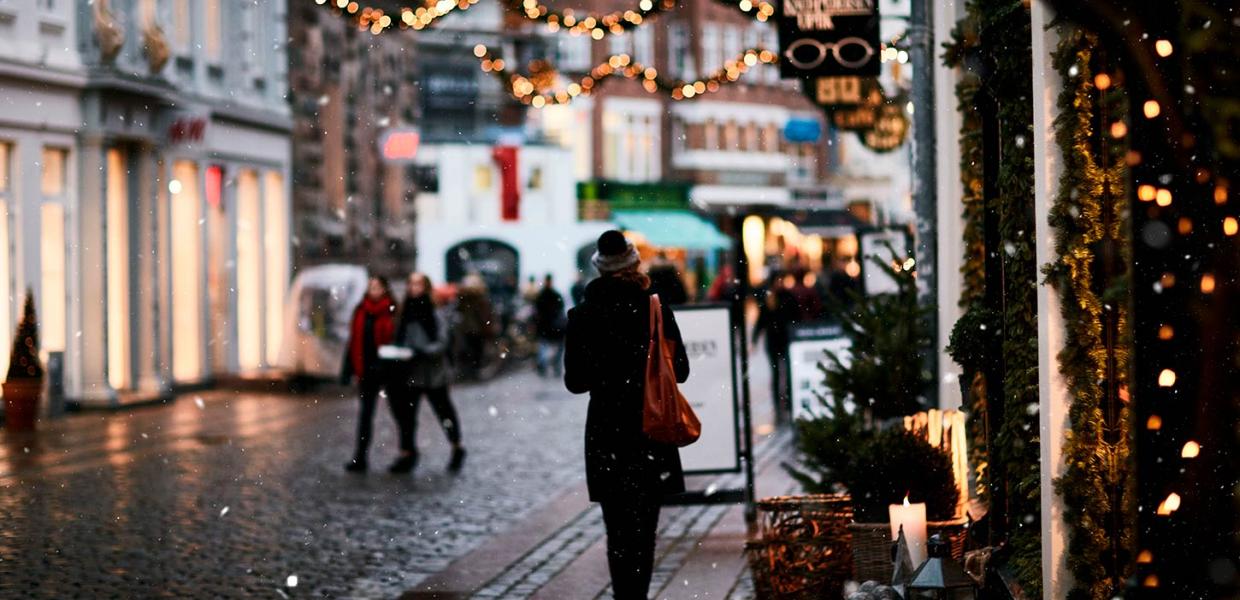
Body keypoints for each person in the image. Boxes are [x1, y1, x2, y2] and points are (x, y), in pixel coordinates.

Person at [564, 230, 690, 600]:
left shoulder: (582, 315)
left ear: (600, 269)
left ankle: (624, 597)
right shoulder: (654, 308)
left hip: (606, 432)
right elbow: (680, 370)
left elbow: (575, 382)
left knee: (616, 530)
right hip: (650, 429)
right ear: (634, 262)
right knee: (643, 529)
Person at [391, 273, 467, 473]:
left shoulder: (434, 312)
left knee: (444, 412)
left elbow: (442, 342)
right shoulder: (405, 312)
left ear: (425, 287)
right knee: (407, 416)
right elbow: (399, 338)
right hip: (411, 371)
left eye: (418, 284)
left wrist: (422, 351)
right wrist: (401, 352)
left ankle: (456, 446)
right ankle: (407, 452)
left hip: (433, 372)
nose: (413, 288)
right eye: (411, 284)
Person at [340, 275, 400, 473]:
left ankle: (406, 452)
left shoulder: (391, 309)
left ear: (384, 288)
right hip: (366, 371)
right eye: (371, 286)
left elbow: (396, 339)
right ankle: (360, 457)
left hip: (389, 372)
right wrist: (347, 369)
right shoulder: (361, 310)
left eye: (377, 286)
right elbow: (354, 340)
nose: (373, 289)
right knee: (365, 416)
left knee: (399, 413)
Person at [533, 274, 567, 378]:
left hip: (545, 326)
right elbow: (560, 308)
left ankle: (544, 365)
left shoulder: (541, 295)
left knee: (544, 347)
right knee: (555, 347)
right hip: (553, 326)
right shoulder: (554, 295)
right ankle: (552, 365)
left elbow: (537, 310)